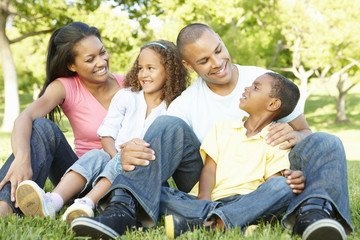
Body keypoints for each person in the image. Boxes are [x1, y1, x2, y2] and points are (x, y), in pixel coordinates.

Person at [71, 23, 352, 240]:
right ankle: (122, 210)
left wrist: (297, 135)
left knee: (326, 141)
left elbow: (306, 131)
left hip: (264, 182)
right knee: (167, 126)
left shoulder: (265, 81)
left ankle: (313, 214)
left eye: (218, 50)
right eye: (204, 60)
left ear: (222, 42)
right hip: (208, 184)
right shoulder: (186, 103)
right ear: (188, 65)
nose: (217, 62)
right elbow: (159, 141)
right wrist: (133, 149)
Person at [15, 40, 190, 224]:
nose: (143, 74)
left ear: (169, 71)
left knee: (123, 162)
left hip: (141, 175)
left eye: (150, 68)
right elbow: (107, 134)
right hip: (109, 163)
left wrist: (122, 162)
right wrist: (115, 156)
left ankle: (86, 204)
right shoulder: (127, 96)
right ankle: (52, 202)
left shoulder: (173, 108)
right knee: (96, 155)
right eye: (140, 68)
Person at [0, 22, 125, 217]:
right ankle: (5, 206)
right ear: (71, 65)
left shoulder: (130, 85)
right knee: (42, 126)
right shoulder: (66, 87)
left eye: (102, 52)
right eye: (90, 59)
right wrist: (22, 157)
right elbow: (24, 118)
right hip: (77, 180)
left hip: (119, 176)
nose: (101, 62)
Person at [163, 72, 300, 238]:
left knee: (283, 187)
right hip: (204, 200)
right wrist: (204, 200)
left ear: (273, 103)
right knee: (159, 193)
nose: (247, 88)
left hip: (243, 201)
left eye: (255, 87)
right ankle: (237, 222)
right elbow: (209, 169)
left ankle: (206, 223)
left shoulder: (277, 139)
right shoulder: (222, 128)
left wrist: (281, 187)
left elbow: (272, 183)